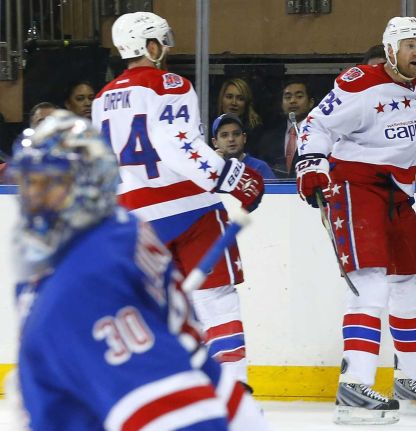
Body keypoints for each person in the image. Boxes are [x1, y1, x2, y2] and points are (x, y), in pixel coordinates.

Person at [9, 111, 269, 431]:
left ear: (90, 184)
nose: (35, 198)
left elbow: (165, 408)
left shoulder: (85, 281)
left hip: (199, 405)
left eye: (51, 183)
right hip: (222, 397)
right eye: (30, 183)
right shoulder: (124, 229)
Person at [92, 12, 265, 386]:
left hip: (135, 219)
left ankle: (163, 392)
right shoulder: (168, 83)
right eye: (162, 41)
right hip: (191, 209)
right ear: (151, 46)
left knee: (153, 309)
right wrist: (234, 178)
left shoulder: (102, 98)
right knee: (215, 298)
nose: (167, 48)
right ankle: (231, 386)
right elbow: (179, 146)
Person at [295, 16, 416, 424]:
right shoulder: (359, 83)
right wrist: (310, 165)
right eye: (410, 45)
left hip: (397, 193)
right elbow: (316, 123)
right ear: (389, 50)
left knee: (411, 284)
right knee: (370, 284)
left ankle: (409, 379)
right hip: (354, 186)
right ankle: (355, 386)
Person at [257, 79, 315, 178]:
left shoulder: (319, 135)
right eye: (288, 97)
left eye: (299, 96)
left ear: (311, 102)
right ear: (281, 104)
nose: (292, 101)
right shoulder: (268, 139)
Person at [212, 113, 276, 179]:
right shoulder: (211, 169)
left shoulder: (260, 168)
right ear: (215, 142)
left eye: (236, 134)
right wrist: (216, 165)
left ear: (244, 138)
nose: (231, 139)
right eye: (224, 135)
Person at [217, 78, 264, 156]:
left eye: (240, 99)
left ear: (246, 103)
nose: (234, 103)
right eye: (229, 97)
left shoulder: (256, 132)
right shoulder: (209, 126)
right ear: (221, 99)